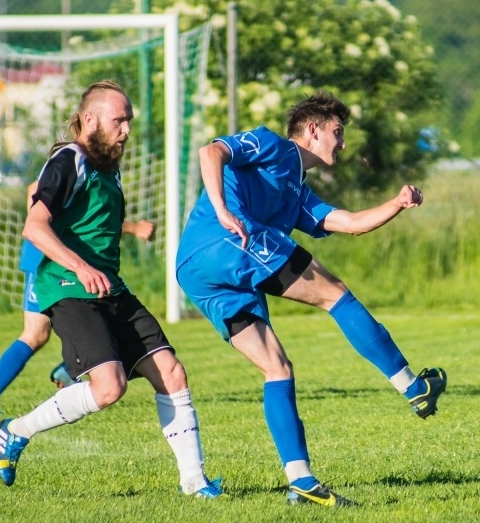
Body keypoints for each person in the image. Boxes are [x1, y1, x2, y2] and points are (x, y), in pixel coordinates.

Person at [176, 91, 447, 507]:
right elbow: (210, 151)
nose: (342, 143)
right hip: (226, 240)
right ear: (313, 129)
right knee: (334, 293)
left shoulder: (297, 193)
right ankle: (413, 387)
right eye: (337, 132)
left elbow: (351, 223)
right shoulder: (276, 146)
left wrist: (396, 203)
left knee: (277, 367)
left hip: (196, 272)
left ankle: (300, 480)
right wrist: (223, 211)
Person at [0, 80, 222, 499]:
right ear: (90, 118)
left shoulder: (107, 169)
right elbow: (34, 226)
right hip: (66, 287)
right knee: (110, 388)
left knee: (171, 372)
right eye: (120, 120)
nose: (127, 130)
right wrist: (80, 266)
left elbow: (96, 223)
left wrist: (125, 234)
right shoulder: (69, 160)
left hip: (109, 289)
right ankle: (14, 430)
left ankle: (195, 482)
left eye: (129, 122)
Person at [0, 181, 155, 415]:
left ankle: (69, 370)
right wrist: (134, 228)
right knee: (35, 333)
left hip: (69, 264)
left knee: (97, 319)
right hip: (47, 262)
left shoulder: (90, 167)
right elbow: (35, 191)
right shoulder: (70, 159)